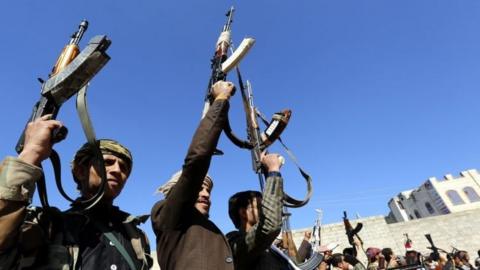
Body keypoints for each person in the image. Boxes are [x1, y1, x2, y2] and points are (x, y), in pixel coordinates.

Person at [0, 115, 152, 269]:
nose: (117, 171)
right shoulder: (50, 226)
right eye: (107, 162)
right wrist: (30, 154)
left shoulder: (137, 237)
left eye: (124, 168)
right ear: (80, 171)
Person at [150, 80, 236, 270]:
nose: (206, 194)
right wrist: (221, 100)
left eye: (208, 190)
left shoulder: (211, 233)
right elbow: (196, 162)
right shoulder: (169, 217)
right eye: (199, 188)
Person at [226, 152, 285, 270]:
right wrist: (273, 170)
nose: (266, 209)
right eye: (260, 206)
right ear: (243, 213)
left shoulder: (270, 248)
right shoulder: (234, 243)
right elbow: (270, 226)